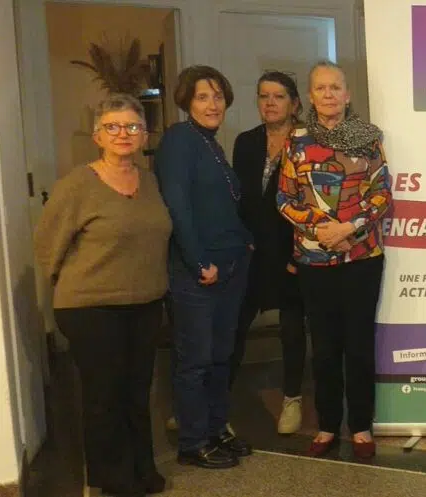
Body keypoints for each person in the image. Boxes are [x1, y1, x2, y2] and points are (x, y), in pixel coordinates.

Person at [34, 94, 172, 496]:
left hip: (145, 303)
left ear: (144, 135)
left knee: (137, 392)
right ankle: (112, 477)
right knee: (104, 395)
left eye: (132, 126)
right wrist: (76, 283)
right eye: (112, 126)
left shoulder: (149, 181)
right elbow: (47, 246)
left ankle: (141, 468)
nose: (122, 134)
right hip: (91, 307)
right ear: (97, 136)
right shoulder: (76, 185)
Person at [277, 60, 391, 459]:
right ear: (310, 96)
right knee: (324, 348)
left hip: (363, 257)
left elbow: (382, 194)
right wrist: (323, 231)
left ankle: (360, 427)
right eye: (321, 88)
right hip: (314, 260)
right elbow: (284, 198)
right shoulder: (296, 141)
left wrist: (348, 230)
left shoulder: (368, 138)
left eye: (335, 87)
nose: (328, 94)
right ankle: (327, 426)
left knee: (359, 345)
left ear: (347, 94)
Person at [156, 65, 254, 469]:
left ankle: (216, 430)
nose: (213, 104)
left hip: (231, 264)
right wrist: (199, 261)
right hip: (199, 271)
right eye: (202, 97)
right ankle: (193, 442)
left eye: (217, 96)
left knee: (220, 357)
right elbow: (177, 206)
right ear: (187, 102)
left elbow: (223, 203)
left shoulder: (210, 143)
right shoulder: (180, 139)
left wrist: (245, 239)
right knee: (195, 361)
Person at [231, 71, 308, 435]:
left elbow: (314, 202)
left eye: (278, 96)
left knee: (292, 330)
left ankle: (292, 400)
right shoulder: (246, 142)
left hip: (293, 253)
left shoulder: (309, 142)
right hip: (250, 251)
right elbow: (240, 199)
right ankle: (208, 402)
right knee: (233, 327)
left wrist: (299, 253)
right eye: (264, 96)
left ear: (295, 103)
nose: (270, 103)